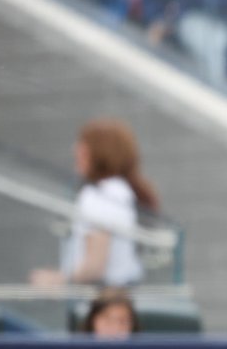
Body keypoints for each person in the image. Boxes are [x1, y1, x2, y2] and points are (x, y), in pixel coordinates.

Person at [30, 119, 160, 288]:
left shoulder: (100, 196)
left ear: (99, 152)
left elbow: (95, 266)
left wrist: (56, 280)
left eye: (82, 145)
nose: (75, 150)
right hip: (123, 293)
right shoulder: (121, 191)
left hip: (103, 298)